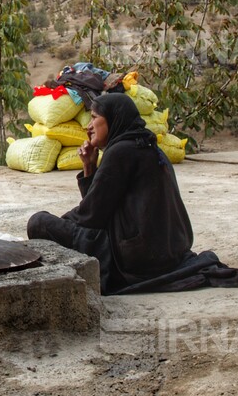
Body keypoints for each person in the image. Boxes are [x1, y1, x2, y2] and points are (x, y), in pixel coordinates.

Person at [26, 92, 195, 294]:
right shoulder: (147, 146)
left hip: (134, 259)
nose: (88, 126)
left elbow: (91, 216)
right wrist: (89, 166)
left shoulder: (120, 152)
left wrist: (63, 222)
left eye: (95, 118)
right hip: (168, 253)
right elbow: (100, 207)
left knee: (39, 222)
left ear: (114, 119)